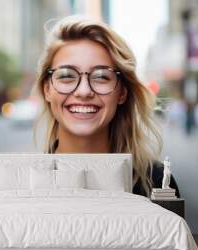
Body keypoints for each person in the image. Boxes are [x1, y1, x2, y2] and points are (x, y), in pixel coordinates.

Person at [32, 15, 179, 198]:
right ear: (47, 89)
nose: (84, 91)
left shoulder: (157, 183)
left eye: (101, 76)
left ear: (122, 93)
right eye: (67, 75)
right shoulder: (25, 181)